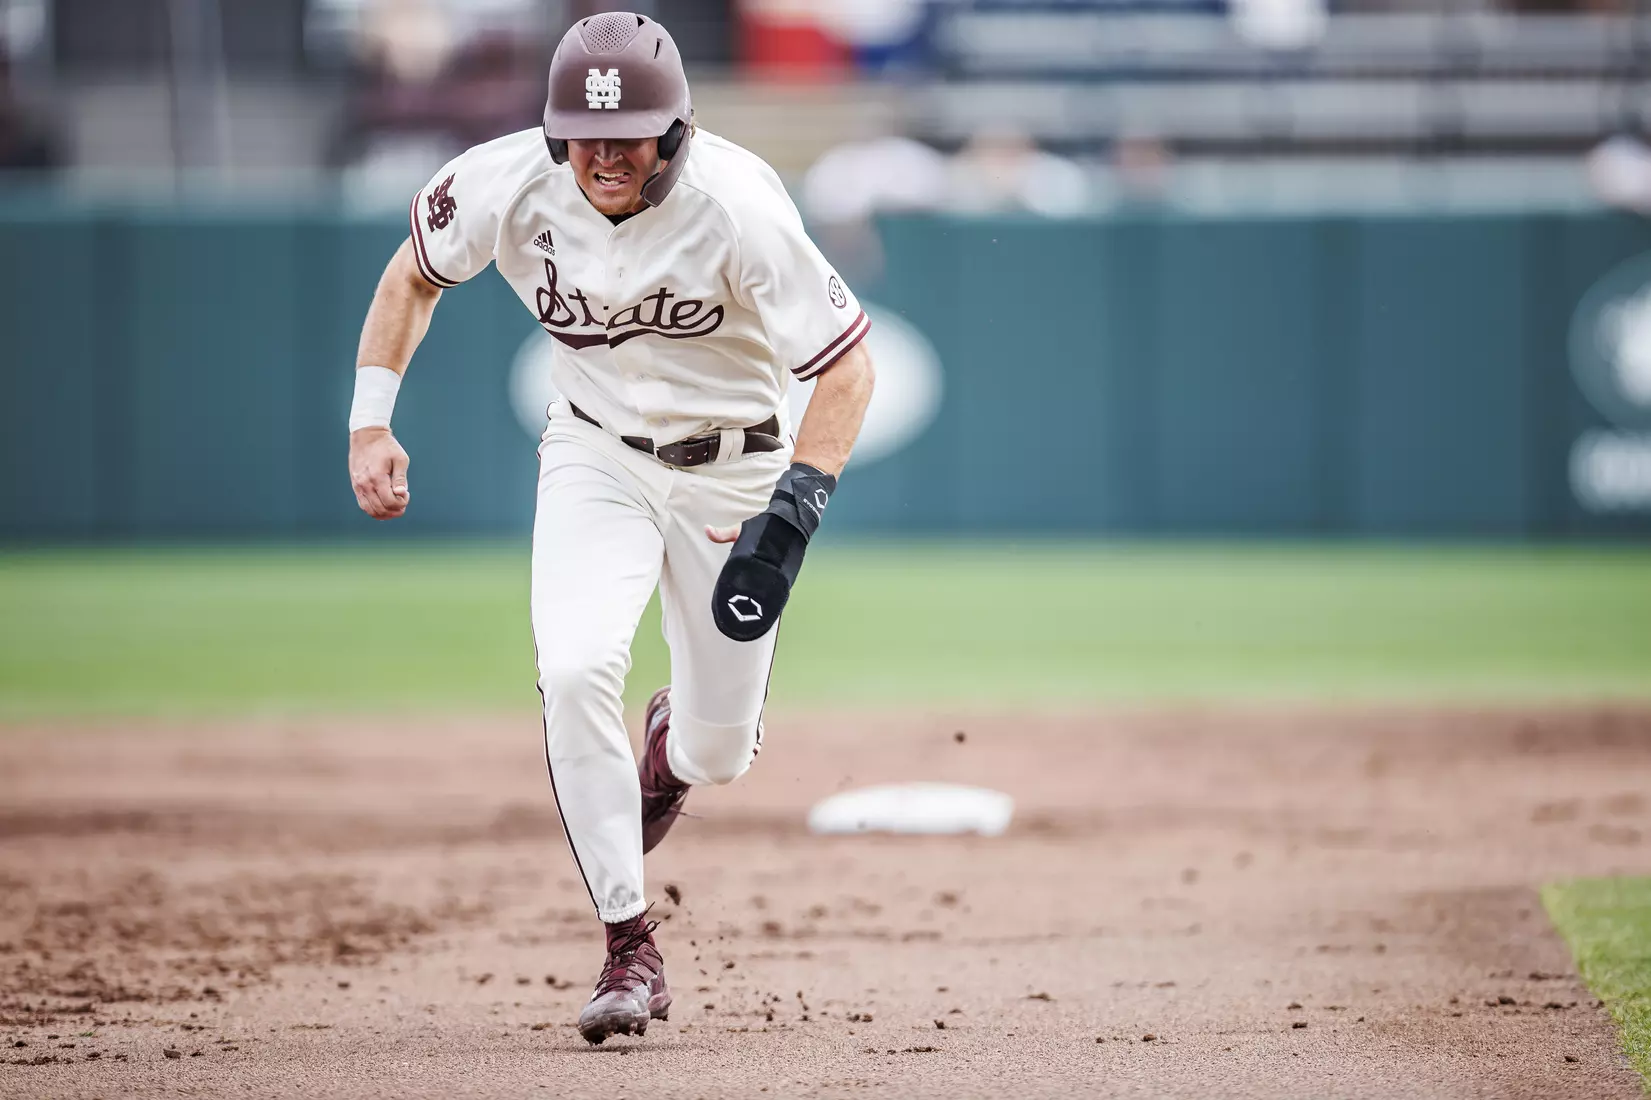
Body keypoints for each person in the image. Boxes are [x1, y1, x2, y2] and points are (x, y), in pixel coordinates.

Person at [343, 11, 875, 1044]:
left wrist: (793, 511)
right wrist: (371, 419)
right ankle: (629, 945)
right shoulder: (506, 183)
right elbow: (413, 270)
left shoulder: (740, 207)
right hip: (594, 451)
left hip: (738, 467)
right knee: (578, 665)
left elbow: (847, 368)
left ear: (674, 130)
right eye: (585, 136)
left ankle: (675, 746)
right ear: (553, 133)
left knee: (721, 751)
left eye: (628, 134)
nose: (605, 155)